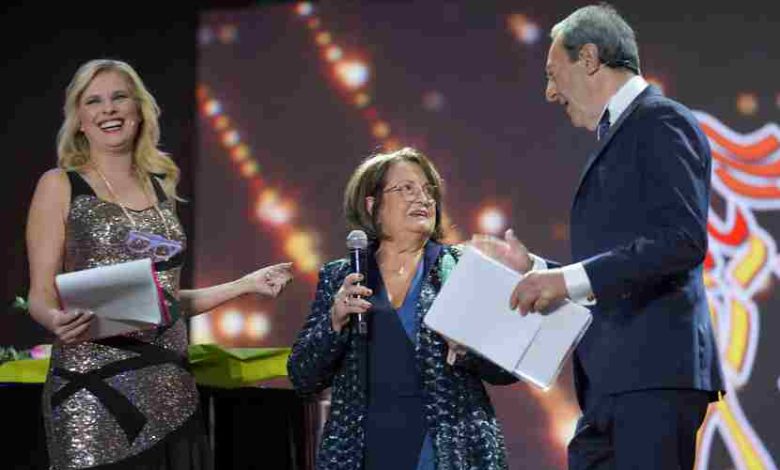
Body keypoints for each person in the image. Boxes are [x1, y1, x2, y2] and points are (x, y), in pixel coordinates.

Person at [477, 4, 725, 469]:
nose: (550, 92)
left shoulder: (661, 122)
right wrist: (536, 270)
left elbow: (681, 240)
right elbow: (618, 262)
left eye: (554, 74)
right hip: (613, 383)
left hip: (652, 375)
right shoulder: (628, 131)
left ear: (589, 59)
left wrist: (563, 281)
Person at [25, 58, 294, 469]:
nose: (109, 109)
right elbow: (41, 294)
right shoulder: (59, 185)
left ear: (138, 109)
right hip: (96, 398)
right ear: (79, 119)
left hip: (172, 392)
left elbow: (161, 301)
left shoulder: (161, 187)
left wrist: (245, 285)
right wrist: (53, 319)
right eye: (94, 101)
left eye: (119, 97)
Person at [287, 148, 518, 470]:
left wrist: (468, 348)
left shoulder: (461, 268)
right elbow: (302, 376)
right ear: (372, 204)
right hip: (362, 451)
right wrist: (334, 323)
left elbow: (506, 369)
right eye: (406, 188)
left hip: (448, 449)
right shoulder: (340, 276)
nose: (422, 198)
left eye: (428, 190)